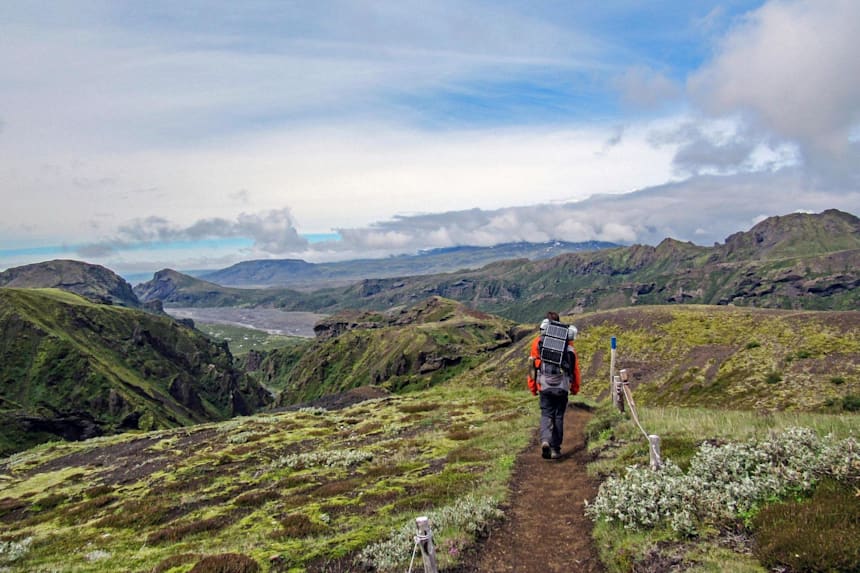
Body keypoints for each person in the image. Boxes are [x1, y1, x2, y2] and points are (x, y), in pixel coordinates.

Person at [527, 311, 581, 460]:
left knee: (546, 414)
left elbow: (532, 367)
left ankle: (545, 440)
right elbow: (574, 370)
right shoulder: (568, 347)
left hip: (544, 385)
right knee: (558, 416)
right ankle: (556, 449)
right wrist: (575, 388)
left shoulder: (539, 343)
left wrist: (533, 388)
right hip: (562, 387)